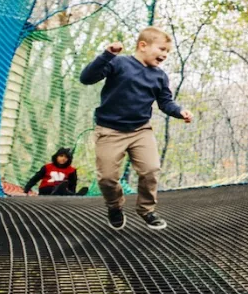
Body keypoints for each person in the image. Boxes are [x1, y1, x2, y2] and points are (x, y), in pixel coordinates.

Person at [79, 26, 193, 231]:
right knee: (106, 178)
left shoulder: (160, 77)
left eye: (167, 52)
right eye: (161, 49)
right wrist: (106, 55)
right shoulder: (119, 63)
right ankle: (114, 206)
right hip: (109, 131)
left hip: (141, 131)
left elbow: (165, 102)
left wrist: (180, 111)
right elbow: (86, 78)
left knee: (150, 169)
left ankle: (147, 210)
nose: (165, 55)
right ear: (143, 45)